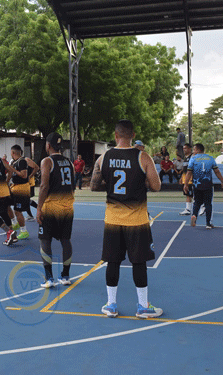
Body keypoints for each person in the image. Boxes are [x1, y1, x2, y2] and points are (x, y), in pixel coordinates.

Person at [91, 120, 163, 319]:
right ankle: (143, 306)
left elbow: (94, 186)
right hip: (137, 220)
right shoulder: (143, 157)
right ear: (133, 135)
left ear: (116, 135)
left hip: (113, 219)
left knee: (112, 262)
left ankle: (111, 305)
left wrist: (110, 183)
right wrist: (140, 181)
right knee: (139, 263)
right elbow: (156, 186)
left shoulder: (103, 158)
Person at [35, 132, 75, 288]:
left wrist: (39, 208)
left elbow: (44, 186)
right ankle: (65, 275)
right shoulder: (69, 162)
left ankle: (49, 278)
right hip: (67, 208)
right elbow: (72, 186)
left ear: (48, 145)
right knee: (66, 241)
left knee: (45, 240)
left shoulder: (47, 161)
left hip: (51, 208)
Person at [184, 143, 223, 229]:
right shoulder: (210, 158)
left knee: (196, 202)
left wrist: (186, 184)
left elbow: (189, 172)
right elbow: (217, 171)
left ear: (198, 150)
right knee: (208, 204)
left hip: (197, 184)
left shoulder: (193, 159)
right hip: (208, 184)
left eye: (194, 149)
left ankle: (194, 215)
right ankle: (208, 223)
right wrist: (222, 181)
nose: (193, 151)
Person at [7, 144, 39, 240]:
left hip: (22, 189)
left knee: (18, 211)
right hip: (14, 187)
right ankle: (14, 222)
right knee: (5, 203)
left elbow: (24, 175)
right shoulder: (14, 162)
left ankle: (24, 231)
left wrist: (14, 170)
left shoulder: (22, 161)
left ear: (13, 152)